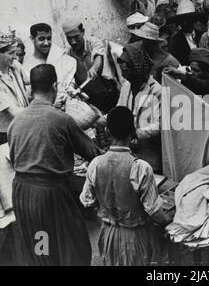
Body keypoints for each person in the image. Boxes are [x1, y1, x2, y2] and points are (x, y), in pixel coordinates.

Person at [7, 64, 99, 266]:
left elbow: (16, 159)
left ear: (31, 90)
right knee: (74, 247)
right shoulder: (60, 119)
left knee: (41, 244)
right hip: (48, 193)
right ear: (55, 86)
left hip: (21, 192)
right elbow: (92, 152)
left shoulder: (15, 122)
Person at [80, 106, 172, 266]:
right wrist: (166, 220)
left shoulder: (95, 164)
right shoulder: (141, 167)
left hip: (108, 233)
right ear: (132, 132)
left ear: (108, 131)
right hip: (135, 237)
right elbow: (154, 210)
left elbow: (87, 200)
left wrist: (106, 206)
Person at [116, 43, 162, 174]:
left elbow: (160, 125)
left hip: (149, 154)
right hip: (129, 151)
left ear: (137, 68)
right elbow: (120, 111)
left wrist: (136, 133)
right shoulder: (127, 86)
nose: (124, 76)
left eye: (126, 71)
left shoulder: (156, 90)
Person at [62, 19, 119, 114]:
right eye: (69, 38)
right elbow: (68, 78)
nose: (73, 42)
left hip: (110, 94)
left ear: (83, 32)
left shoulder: (93, 42)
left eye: (76, 37)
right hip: (91, 102)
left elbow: (99, 55)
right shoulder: (67, 55)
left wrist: (94, 68)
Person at [23, 23, 77, 108]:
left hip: (68, 106)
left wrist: (68, 93)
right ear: (32, 38)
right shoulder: (27, 66)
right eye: (41, 39)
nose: (46, 43)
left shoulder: (59, 56)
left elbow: (70, 80)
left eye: (49, 38)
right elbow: (30, 95)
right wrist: (51, 103)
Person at [0, 32, 29, 145]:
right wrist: (39, 113)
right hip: (6, 133)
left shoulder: (14, 65)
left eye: (15, 53)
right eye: (11, 53)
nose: (15, 57)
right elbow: (13, 110)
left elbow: (33, 80)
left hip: (22, 125)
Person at [167, 0, 205, 65]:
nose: (184, 23)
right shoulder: (175, 41)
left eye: (188, 19)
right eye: (182, 20)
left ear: (193, 19)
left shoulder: (201, 35)